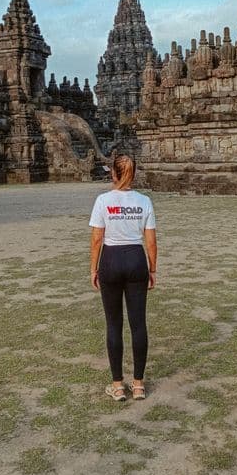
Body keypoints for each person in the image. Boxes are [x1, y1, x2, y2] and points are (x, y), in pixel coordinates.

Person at [89, 154, 157, 401]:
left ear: (113, 174)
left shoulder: (103, 201)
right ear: (134, 175)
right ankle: (138, 384)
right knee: (138, 324)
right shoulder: (143, 201)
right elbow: (150, 239)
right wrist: (152, 268)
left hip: (111, 259)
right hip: (136, 258)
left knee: (114, 323)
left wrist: (93, 268)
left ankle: (118, 385)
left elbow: (97, 237)